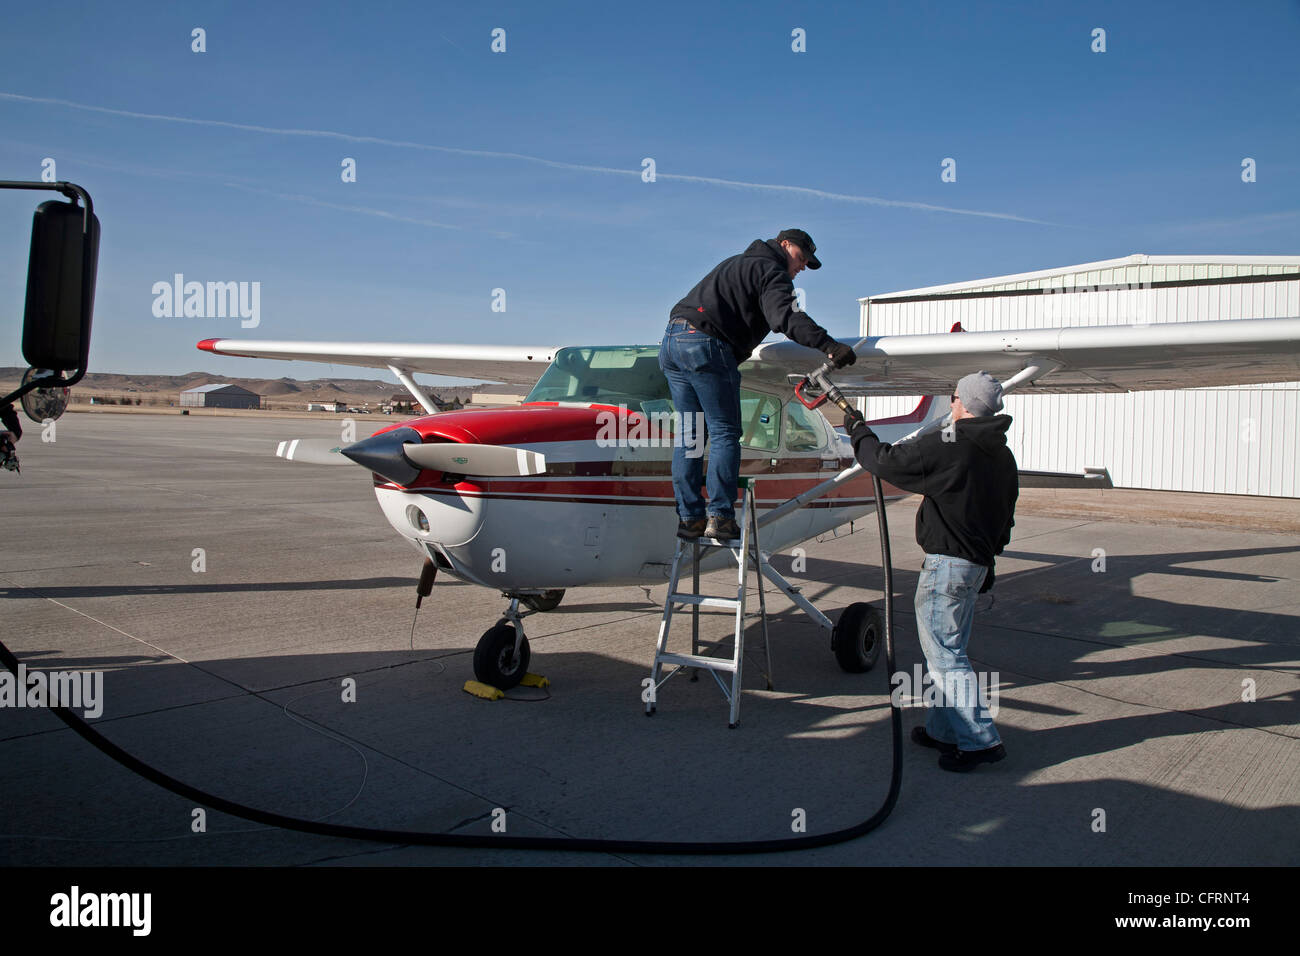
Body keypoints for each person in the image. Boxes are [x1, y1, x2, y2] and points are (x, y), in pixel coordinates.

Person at [844, 371, 1018, 772]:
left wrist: (857, 430)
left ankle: (980, 741)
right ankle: (944, 731)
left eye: (953, 396)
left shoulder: (950, 446)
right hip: (975, 565)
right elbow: (1004, 517)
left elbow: (883, 461)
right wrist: (989, 559)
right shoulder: (1002, 454)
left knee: (946, 657)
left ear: (963, 403)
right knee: (946, 652)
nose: (951, 402)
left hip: (947, 567)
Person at [660, 229, 857, 541]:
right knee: (725, 433)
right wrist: (830, 346)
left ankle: (690, 519)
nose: (803, 265)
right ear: (784, 245)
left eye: (807, 262)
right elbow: (786, 317)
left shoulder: (736, 263)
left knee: (690, 436)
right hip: (706, 344)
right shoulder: (770, 271)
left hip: (672, 341)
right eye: (801, 256)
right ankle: (721, 517)